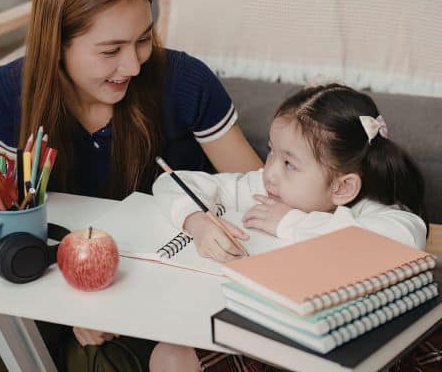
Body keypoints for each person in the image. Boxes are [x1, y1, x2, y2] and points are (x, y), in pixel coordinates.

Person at [0, 0, 262, 372]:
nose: (135, 65)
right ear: (57, 42)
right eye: (110, 50)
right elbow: (19, 210)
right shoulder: (12, 89)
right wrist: (67, 295)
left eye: (143, 40)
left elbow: (257, 198)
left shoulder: (185, 82)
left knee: (98, 364)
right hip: (50, 272)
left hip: (157, 284)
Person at [150, 83, 428, 372]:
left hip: (348, 346)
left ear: (343, 187)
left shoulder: (373, 210)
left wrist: (290, 223)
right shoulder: (268, 188)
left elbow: (403, 239)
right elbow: (172, 182)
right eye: (272, 152)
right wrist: (196, 222)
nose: (269, 172)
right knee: (168, 356)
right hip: (274, 330)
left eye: (289, 163)